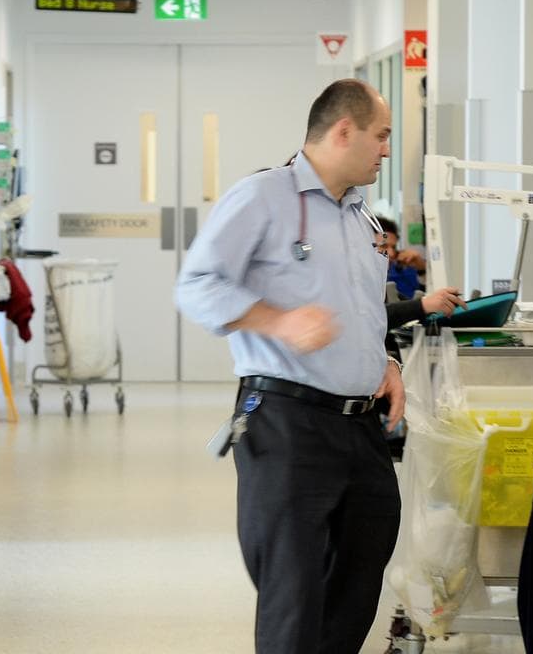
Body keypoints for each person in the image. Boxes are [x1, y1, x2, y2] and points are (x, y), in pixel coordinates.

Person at [176, 79, 405, 653]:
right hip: (288, 421)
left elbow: (361, 309)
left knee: (357, 582)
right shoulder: (264, 198)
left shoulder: (361, 217)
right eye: (381, 137)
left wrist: (387, 362)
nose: (385, 150)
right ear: (343, 131)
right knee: (293, 593)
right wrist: (276, 321)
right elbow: (196, 285)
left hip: (360, 427)